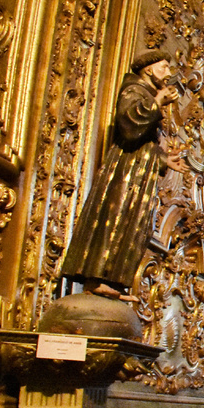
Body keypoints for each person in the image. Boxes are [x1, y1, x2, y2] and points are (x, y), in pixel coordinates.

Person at [61, 50, 186, 301]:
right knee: (114, 218)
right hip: (125, 171)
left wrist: (164, 159)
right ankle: (96, 277)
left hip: (139, 170)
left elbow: (144, 143)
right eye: (163, 67)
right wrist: (156, 102)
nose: (168, 73)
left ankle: (114, 282)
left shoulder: (145, 93)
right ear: (148, 69)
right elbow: (129, 127)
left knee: (133, 223)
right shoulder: (134, 90)